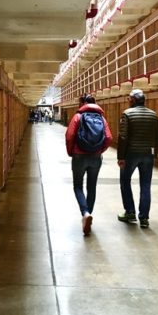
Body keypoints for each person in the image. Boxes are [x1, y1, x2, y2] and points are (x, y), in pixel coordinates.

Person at [65, 94, 113, 236]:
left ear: (82, 103)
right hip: (95, 157)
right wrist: (99, 151)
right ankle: (88, 215)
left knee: (78, 186)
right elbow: (109, 138)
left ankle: (85, 214)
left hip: (79, 156)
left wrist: (71, 152)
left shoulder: (78, 117)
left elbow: (69, 136)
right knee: (91, 187)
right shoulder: (101, 118)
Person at [117, 89, 158, 229]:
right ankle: (144, 218)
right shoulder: (153, 115)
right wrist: (153, 154)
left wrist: (121, 157)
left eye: (129, 99)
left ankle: (130, 212)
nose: (128, 101)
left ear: (133, 100)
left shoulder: (127, 114)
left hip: (131, 154)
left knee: (125, 181)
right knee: (146, 185)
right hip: (148, 155)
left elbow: (123, 137)